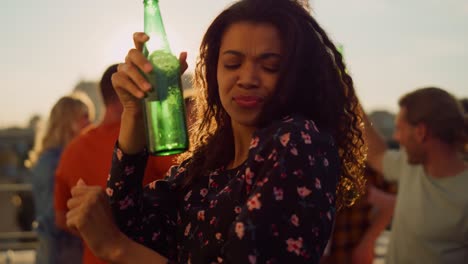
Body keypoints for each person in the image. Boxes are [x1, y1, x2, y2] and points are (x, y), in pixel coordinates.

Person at [65, 0, 367, 263]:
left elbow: (120, 243)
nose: (247, 78)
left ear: (297, 76)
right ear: (213, 71)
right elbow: (132, 225)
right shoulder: (210, 163)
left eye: (270, 66)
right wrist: (134, 114)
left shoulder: (298, 141)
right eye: (232, 63)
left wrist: (116, 249)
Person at [54, 64, 177, 264]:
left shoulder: (72, 150)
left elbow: (61, 217)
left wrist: (97, 235)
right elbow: (186, 183)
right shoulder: (150, 138)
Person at [363, 87, 468, 264]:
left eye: (399, 128)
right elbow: (375, 154)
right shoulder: (410, 165)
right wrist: (346, 88)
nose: (396, 137)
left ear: (420, 131)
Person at [28, 93, 94, 264]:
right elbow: (58, 218)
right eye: (85, 116)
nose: (90, 123)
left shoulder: (49, 158)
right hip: (62, 253)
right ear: (68, 121)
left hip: (53, 250)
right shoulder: (55, 161)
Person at [320, 166, 397, 264]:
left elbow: (392, 202)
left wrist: (368, 241)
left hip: (352, 251)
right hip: (324, 253)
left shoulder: (366, 164)